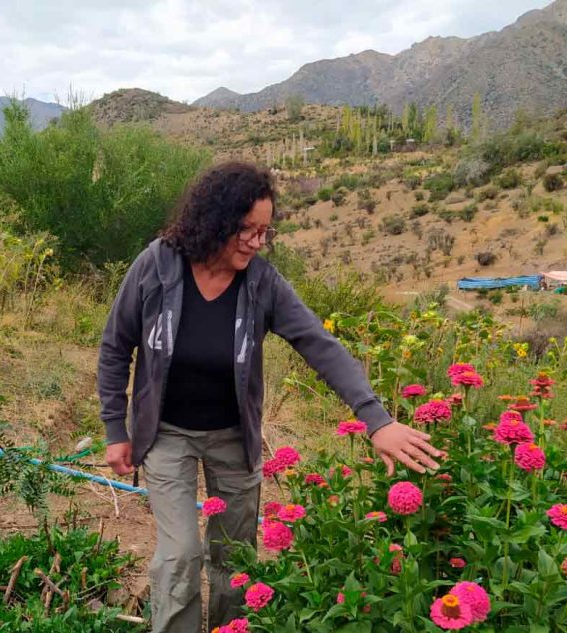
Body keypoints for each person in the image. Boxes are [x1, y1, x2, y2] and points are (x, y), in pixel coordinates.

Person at [97, 161, 442, 633]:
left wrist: (375, 418)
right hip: (167, 435)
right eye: (246, 230)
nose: (256, 243)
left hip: (234, 439)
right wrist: (116, 430)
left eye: (265, 232)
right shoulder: (157, 266)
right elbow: (116, 346)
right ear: (213, 219)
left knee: (234, 559)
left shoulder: (262, 284)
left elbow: (319, 344)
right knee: (180, 555)